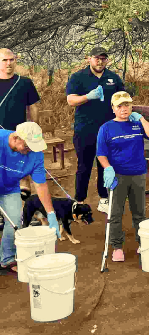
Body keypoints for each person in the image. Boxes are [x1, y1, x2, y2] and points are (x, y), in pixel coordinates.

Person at [96, 92, 149, 262]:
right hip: (118, 176)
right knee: (115, 213)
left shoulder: (137, 124)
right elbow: (101, 154)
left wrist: (142, 119)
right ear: (113, 108)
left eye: (127, 105)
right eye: (120, 106)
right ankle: (117, 247)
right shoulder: (106, 128)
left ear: (132, 107)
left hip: (138, 174)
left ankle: (142, 242)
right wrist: (108, 168)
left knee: (139, 212)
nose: (124, 109)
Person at [67, 46, 125, 214]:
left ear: (107, 60)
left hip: (108, 131)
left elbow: (122, 100)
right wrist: (88, 96)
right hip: (85, 130)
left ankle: (104, 198)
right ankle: (79, 201)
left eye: (103, 58)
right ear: (89, 59)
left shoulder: (113, 78)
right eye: (96, 58)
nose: (100, 61)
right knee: (84, 166)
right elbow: (71, 100)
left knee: (105, 166)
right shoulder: (78, 77)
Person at [0, 122, 61, 272]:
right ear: (15, 138)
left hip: (9, 188)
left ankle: (7, 258)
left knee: (14, 220)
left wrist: (51, 214)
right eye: (27, 146)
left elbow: (40, 185)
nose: (30, 151)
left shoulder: (35, 153)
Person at [0, 48, 41, 200]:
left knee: (23, 177)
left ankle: (25, 212)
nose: (9, 63)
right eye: (4, 60)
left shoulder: (25, 82)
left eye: (11, 59)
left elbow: (34, 107)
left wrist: (34, 131)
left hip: (20, 135)